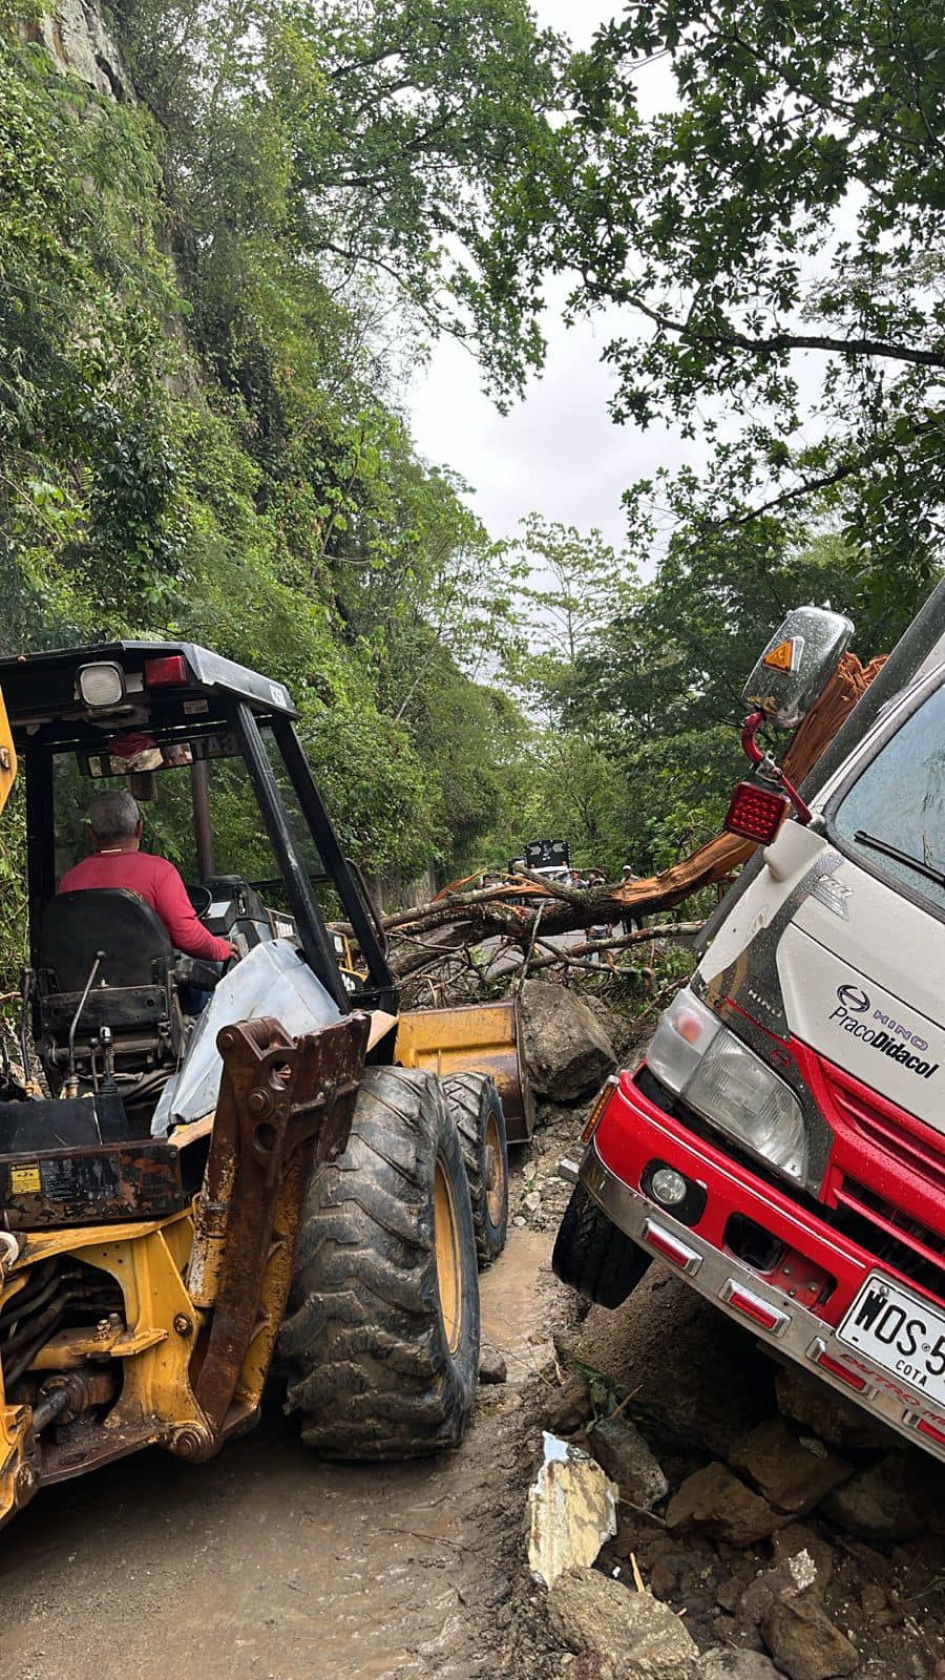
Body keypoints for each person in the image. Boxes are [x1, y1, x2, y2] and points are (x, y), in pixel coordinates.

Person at [59, 789, 235, 963]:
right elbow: (188, 937)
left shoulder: (70, 881)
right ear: (139, 828)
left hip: (84, 984)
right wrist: (222, 949)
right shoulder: (159, 872)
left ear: (91, 832)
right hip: (148, 983)